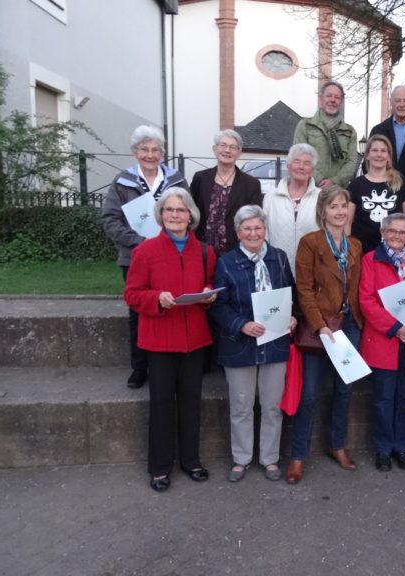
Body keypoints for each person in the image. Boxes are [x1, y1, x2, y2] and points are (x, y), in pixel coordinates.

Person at [123, 188, 217, 492]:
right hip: (160, 340)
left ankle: (191, 460)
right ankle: (160, 467)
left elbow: (210, 287)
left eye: (180, 210)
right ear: (160, 215)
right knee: (161, 404)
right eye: (169, 210)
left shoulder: (205, 251)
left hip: (195, 341)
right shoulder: (145, 251)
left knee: (191, 404)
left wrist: (207, 296)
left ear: (191, 215)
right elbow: (132, 294)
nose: (175, 215)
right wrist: (156, 298)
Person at [211, 205, 297, 483]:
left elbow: (291, 294)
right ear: (238, 232)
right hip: (240, 344)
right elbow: (218, 306)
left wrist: (293, 316)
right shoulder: (225, 262)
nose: (253, 233)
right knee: (241, 405)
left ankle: (270, 458)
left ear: (265, 230)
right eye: (247, 228)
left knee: (272, 406)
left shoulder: (279, 258)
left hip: (274, 343)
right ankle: (241, 458)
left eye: (258, 228)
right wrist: (242, 324)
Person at [286, 186, 364, 484]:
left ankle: (337, 444)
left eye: (344, 206)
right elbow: (303, 289)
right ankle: (298, 454)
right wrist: (320, 324)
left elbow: (356, 287)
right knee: (309, 394)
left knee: (344, 390)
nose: (340, 211)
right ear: (323, 211)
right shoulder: (310, 243)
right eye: (333, 206)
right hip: (320, 329)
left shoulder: (355, 245)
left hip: (349, 326)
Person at [102, 125, 186, 389]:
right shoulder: (122, 182)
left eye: (155, 150)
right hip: (135, 257)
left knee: (169, 307)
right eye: (144, 149)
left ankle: (169, 365)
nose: (150, 154)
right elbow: (110, 220)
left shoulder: (176, 181)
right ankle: (140, 367)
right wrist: (141, 243)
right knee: (139, 312)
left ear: (162, 153)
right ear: (135, 152)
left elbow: (188, 213)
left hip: (172, 256)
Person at [359, 214, 405, 472]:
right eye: (392, 231)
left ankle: (402, 447)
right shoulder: (370, 260)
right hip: (385, 340)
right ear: (383, 232)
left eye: (403, 233)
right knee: (383, 398)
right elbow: (367, 301)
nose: (397, 237)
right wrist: (396, 327)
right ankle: (382, 448)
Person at [189, 129, 263, 257]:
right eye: (223, 145)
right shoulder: (200, 178)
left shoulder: (251, 184)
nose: (227, 150)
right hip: (201, 251)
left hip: (235, 253)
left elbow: (254, 220)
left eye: (233, 147)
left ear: (239, 153)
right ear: (215, 149)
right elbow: (190, 212)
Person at [347, 134, 405, 254]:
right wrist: (348, 251)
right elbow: (347, 222)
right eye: (374, 150)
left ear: (389, 156)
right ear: (367, 155)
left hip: (395, 252)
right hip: (362, 251)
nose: (379, 155)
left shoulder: (400, 182)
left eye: (383, 151)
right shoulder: (356, 185)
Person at [263, 143, 321, 274]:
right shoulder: (270, 198)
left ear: (312, 170)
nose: (301, 167)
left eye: (306, 163)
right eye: (297, 161)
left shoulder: (322, 198)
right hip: (278, 269)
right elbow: (264, 234)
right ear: (289, 167)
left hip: (312, 270)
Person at [293, 80, 357, 188]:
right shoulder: (305, 126)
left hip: (338, 192)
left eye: (337, 97)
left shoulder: (350, 132)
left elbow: (351, 162)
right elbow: (299, 157)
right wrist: (319, 180)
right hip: (310, 189)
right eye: (329, 96)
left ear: (341, 102)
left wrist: (335, 181)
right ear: (321, 99)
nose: (332, 100)